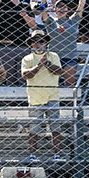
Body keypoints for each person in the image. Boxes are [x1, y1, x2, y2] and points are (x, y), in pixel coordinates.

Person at [21, 30, 64, 163]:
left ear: (46, 43)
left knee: (55, 127)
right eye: (36, 41)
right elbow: (25, 75)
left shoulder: (53, 56)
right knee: (34, 129)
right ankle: (33, 155)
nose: (39, 44)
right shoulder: (27, 59)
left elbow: (60, 72)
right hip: (35, 97)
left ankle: (57, 154)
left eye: (41, 41)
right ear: (31, 44)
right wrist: (39, 65)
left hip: (52, 96)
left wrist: (47, 64)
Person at [44, 0, 85, 87]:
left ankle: (71, 103)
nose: (62, 8)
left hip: (70, 56)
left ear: (68, 10)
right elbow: (42, 10)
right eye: (59, 6)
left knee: (70, 84)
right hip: (53, 57)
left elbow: (81, 5)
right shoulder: (51, 21)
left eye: (64, 7)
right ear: (55, 9)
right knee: (52, 85)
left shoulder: (73, 20)